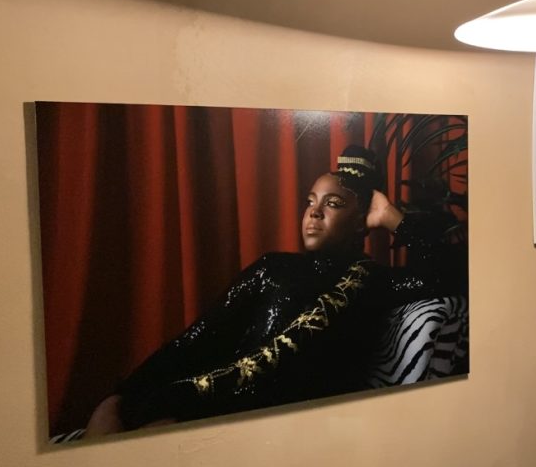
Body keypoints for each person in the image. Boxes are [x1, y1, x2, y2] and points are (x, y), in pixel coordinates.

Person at [85, 145, 464, 436]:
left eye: (333, 204)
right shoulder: (273, 267)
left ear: (362, 222)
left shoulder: (375, 282)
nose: (314, 213)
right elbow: (201, 336)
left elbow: (454, 272)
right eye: (310, 202)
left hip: (291, 424)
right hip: (220, 398)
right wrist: (123, 393)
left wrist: (391, 217)